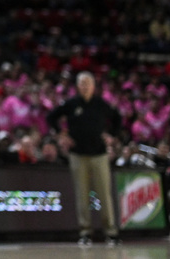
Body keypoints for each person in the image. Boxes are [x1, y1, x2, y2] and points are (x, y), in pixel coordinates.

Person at [46, 71, 122, 247]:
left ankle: (110, 232)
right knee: (82, 195)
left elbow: (117, 118)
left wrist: (112, 136)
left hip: (100, 154)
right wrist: (60, 135)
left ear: (94, 86)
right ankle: (85, 232)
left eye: (88, 82)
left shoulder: (100, 104)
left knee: (104, 194)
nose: (85, 85)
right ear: (78, 86)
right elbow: (51, 117)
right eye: (82, 83)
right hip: (78, 155)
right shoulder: (71, 104)